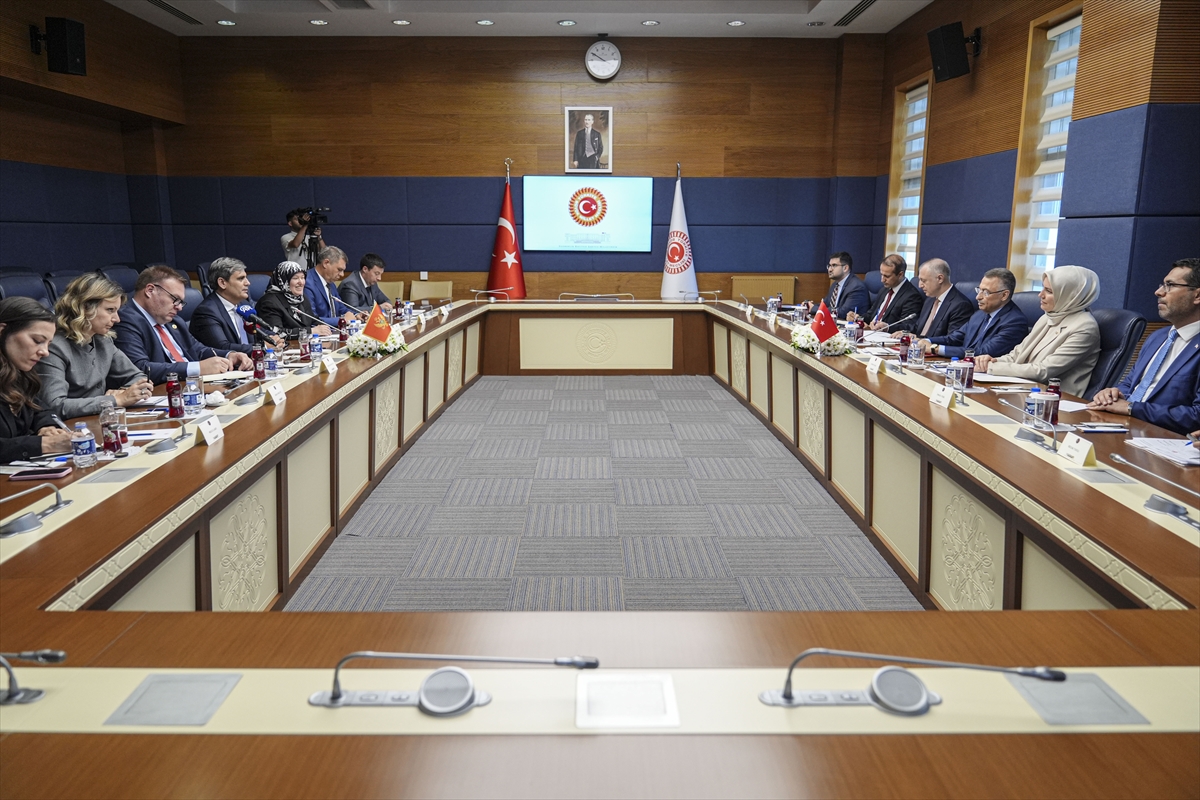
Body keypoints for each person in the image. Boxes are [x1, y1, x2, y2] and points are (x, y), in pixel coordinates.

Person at [1088, 258, 1200, 434]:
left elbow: (1196, 415)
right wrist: (1114, 393)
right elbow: (1131, 383)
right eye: (1162, 285)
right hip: (1123, 426)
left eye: (1170, 285)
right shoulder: (1158, 337)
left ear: (1197, 296)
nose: (1158, 292)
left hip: (1163, 437)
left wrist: (1132, 408)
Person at [36, 273, 154, 419]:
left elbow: (139, 377)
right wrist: (115, 400)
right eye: (110, 310)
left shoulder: (103, 340)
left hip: (100, 420)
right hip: (71, 426)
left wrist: (124, 391)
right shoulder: (54, 347)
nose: (117, 319)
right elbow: (55, 405)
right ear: (85, 308)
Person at [112, 265, 253, 384]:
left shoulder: (173, 320)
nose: (179, 307)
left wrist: (229, 355)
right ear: (150, 290)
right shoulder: (125, 320)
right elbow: (141, 368)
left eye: (181, 302)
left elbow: (198, 350)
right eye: (175, 299)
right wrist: (198, 368)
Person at [975, 265, 1101, 397]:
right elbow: (1016, 355)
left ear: (1071, 295)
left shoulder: (1085, 328)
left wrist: (991, 367)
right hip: (1024, 389)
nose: (1040, 295)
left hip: (1055, 399)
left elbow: (1043, 371)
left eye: (1049, 291)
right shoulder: (1048, 317)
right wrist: (989, 362)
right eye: (1043, 288)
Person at [0, 297, 73, 462]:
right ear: (2, 332)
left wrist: (45, 427)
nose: (45, 352)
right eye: (37, 341)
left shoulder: (19, 373)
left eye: (48, 344)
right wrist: (45, 444)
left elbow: (40, 409)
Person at [918, 268, 1030, 359]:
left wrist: (934, 348)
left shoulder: (1015, 322)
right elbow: (954, 338)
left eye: (986, 292)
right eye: (979, 290)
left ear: (1004, 295)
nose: (978, 297)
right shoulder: (980, 314)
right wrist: (926, 341)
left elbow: (983, 352)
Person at [190, 257, 282, 353]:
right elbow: (222, 347)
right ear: (222, 283)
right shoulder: (206, 312)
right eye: (241, 278)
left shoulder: (243, 305)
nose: (248, 283)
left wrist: (275, 338)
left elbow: (260, 330)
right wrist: (263, 347)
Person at [256, 261, 333, 338]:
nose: (301, 282)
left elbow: (313, 319)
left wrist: (324, 327)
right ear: (283, 280)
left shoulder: (301, 298)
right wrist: (310, 331)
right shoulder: (269, 303)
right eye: (295, 278)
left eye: (302, 278)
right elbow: (276, 333)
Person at [848, 254, 923, 331]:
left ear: (900, 274)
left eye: (887, 276)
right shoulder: (884, 289)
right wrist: (857, 318)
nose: (882, 280)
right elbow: (870, 315)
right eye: (881, 275)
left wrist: (887, 327)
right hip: (870, 331)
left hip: (887, 335)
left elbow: (907, 326)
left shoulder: (911, 296)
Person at [904, 258, 974, 339]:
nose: (920, 285)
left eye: (923, 281)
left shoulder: (960, 305)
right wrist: (905, 332)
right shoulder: (930, 299)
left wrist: (922, 339)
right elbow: (918, 328)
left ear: (940, 279)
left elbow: (953, 339)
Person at [304, 246, 357, 326]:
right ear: (326, 263)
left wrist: (356, 315)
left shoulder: (330, 282)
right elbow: (312, 319)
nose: (342, 275)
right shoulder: (307, 282)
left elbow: (341, 308)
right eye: (339, 270)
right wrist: (342, 320)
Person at [822, 251, 870, 320]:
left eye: (834, 265)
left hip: (851, 324)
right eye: (829, 266)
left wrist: (816, 309)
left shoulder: (857, 287)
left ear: (845, 268)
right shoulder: (835, 285)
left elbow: (843, 313)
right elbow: (825, 304)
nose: (829, 269)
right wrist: (810, 306)